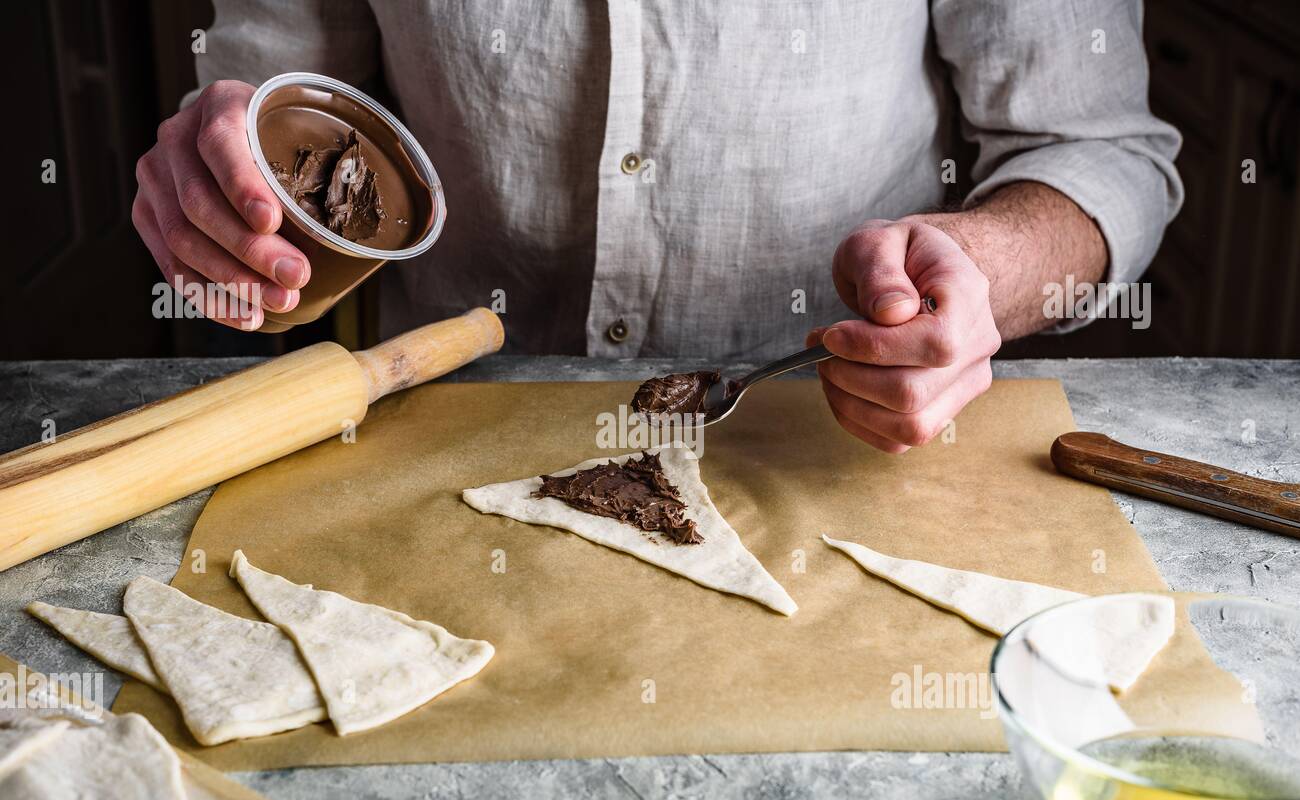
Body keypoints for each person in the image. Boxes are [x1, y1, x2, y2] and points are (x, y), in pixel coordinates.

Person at [132, 1, 1181, 453]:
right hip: (446, 441)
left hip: (833, 444)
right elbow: (272, 100)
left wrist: (981, 272)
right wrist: (219, 198)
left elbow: (1100, 156)